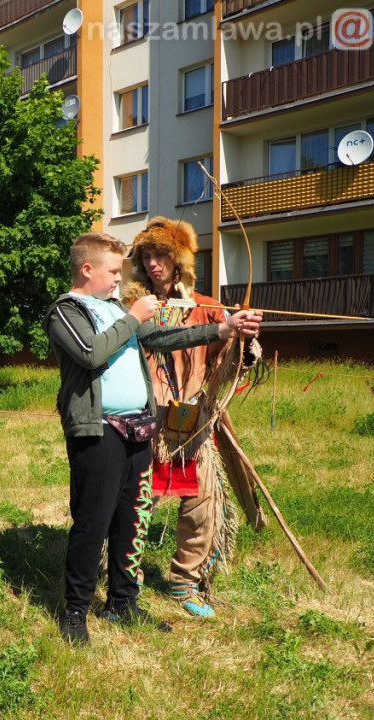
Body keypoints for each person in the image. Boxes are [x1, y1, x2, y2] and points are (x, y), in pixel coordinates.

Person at [43, 232, 261, 645]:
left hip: (138, 428)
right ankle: (75, 611)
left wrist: (223, 328)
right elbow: (90, 353)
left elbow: (162, 338)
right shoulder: (66, 311)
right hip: (98, 432)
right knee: (93, 522)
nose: (119, 278)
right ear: (87, 269)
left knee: (132, 519)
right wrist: (134, 316)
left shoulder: (115, 308)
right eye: (113, 271)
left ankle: (122, 602)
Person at [122, 217, 262, 618]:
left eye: (161, 255)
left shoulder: (206, 308)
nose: (153, 264)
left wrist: (244, 336)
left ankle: (185, 581)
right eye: (146, 256)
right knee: (135, 501)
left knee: (202, 505)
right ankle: (126, 574)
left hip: (193, 424)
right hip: (146, 422)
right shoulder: (133, 309)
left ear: (179, 261)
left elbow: (233, 357)